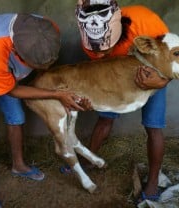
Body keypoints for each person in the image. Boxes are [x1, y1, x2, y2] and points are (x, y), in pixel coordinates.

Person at [0, 13, 88, 208]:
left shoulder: (47, 30)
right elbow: (12, 90)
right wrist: (55, 94)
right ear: (17, 53)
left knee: (16, 115)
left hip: (1, 64)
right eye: (36, 66)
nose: (43, 68)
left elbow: (41, 65)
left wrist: (48, 79)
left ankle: (19, 165)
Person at [73, 0, 171, 203]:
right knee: (105, 118)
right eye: (97, 50)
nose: (101, 53)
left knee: (153, 127)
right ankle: (90, 159)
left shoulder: (147, 22)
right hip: (115, 78)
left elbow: (171, 58)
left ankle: (152, 183)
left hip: (153, 75)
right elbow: (99, 71)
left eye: (106, 48)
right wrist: (94, 98)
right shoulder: (90, 41)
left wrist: (161, 81)